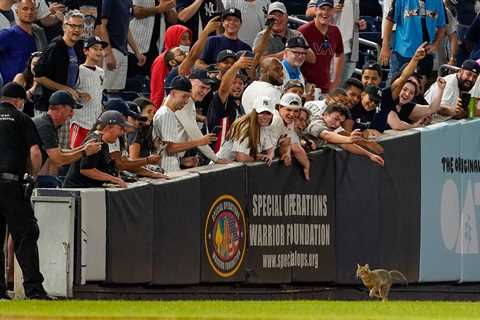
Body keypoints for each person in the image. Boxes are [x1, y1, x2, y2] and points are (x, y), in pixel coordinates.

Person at [0, 82, 51, 300]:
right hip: (11, 184)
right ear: (19, 101)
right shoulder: (22, 119)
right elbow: (35, 152)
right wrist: (32, 177)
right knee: (26, 234)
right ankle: (34, 290)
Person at [32, 90, 101, 187]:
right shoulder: (45, 125)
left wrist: (84, 148)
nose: (72, 114)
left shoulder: (48, 123)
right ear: (61, 108)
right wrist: (84, 152)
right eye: (71, 109)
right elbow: (58, 159)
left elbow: (59, 152)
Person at [152, 75, 216, 172]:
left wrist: (181, 161)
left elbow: (164, 149)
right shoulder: (166, 114)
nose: (186, 101)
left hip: (168, 167)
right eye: (184, 96)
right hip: (167, 171)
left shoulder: (169, 113)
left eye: (188, 97)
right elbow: (170, 148)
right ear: (173, 93)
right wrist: (199, 142)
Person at [34, 10, 86, 113]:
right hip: (48, 108)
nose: (76, 30)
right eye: (73, 26)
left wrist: (76, 92)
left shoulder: (78, 48)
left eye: (80, 27)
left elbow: (67, 78)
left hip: (66, 107)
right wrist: (66, 89)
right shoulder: (55, 47)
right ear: (64, 27)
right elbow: (39, 77)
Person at [63, 110, 131, 188]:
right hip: (77, 190)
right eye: (120, 128)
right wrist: (113, 179)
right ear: (108, 127)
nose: (122, 133)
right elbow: (86, 170)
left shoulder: (103, 141)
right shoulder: (95, 141)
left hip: (86, 189)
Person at [380, 0, 446, 79]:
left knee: (421, 86)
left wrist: (435, 44)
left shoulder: (438, 2)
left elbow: (442, 26)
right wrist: (385, 46)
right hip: (402, 53)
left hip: (425, 53)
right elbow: (389, 21)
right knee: (395, 83)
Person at [304, 103, 384, 166]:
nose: (337, 124)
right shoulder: (315, 123)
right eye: (336, 119)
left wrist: (370, 155)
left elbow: (344, 144)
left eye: (340, 122)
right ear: (325, 114)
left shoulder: (331, 126)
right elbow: (327, 135)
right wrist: (349, 139)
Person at [207, 52, 252, 151]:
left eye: (240, 83)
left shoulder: (241, 105)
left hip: (231, 154)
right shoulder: (221, 100)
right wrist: (236, 66)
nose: (237, 86)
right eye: (233, 82)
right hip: (216, 155)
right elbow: (223, 89)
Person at [299, 0, 344, 96]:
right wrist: (303, 83)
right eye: (322, 9)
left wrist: (336, 80)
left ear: (333, 12)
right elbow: (293, 56)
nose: (325, 13)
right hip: (306, 88)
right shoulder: (303, 31)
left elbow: (339, 53)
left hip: (325, 88)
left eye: (329, 9)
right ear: (315, 10)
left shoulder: (335, 31)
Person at [99, 0, 146, 91]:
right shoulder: (109, 1)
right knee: (105, 92)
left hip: (123, 52)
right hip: (111, 50)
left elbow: (126, 27)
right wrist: (108, 53)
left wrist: (137, 52)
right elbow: (102, 26)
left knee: (116, 93)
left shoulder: (128, 1)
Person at [70, 36, 107, 148]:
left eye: (101, 49)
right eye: (95, 48)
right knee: (75, 154)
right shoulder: (78, 70)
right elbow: (69, 90)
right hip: (79, 121)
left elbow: (99, 93)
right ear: (86, 51)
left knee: (90, 157)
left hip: (94, 124)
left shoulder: (101, 72)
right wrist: (80, 94)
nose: (99, 52)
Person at [217, 95, 275, 164]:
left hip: (233, 168)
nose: (265, 117)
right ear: (254, 113)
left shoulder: (263, 126)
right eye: (261, 113)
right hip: (219, 166)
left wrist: (269, 156)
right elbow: (241, 157)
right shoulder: (244, 127)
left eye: (268, 113)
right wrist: (260, 157)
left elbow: (270, 149)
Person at [0, 0, 47, 83]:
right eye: (25, 9)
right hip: (12, 89)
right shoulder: (8, 34)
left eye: (32, 9)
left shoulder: (39, 35)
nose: (29, 12)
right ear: (17, 12)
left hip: (35, 88)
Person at [127, 0, 177, 76]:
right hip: (135, 45)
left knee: (149, 83)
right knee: (131, 82)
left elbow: (173, 20)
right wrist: (159, 8)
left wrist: (168, 8)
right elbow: (135, 11)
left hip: (157, 46)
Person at [270, 93, 311, 180]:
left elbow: (286, 143)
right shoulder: (276, 120)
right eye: (288, 109)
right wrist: (307, 165)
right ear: (280, 108)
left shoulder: (289, 121)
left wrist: (286, 153)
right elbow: (295, 148)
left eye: (296, 111)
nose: (292, 114)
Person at [150, 24, 193, 108]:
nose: (188, 42)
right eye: (183, 39)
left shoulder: (185, 60)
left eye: (189, 39)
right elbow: (158, 90)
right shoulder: (161, 60)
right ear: (173, 39)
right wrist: (156, 111)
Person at [13, 51, 43, 117]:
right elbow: (14, 102)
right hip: (21, 117)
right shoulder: (21, 78)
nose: (36, 67)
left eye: (40, 64)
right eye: (34, 64)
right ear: (30, 65)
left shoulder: (47, 80)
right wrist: (34, 87)